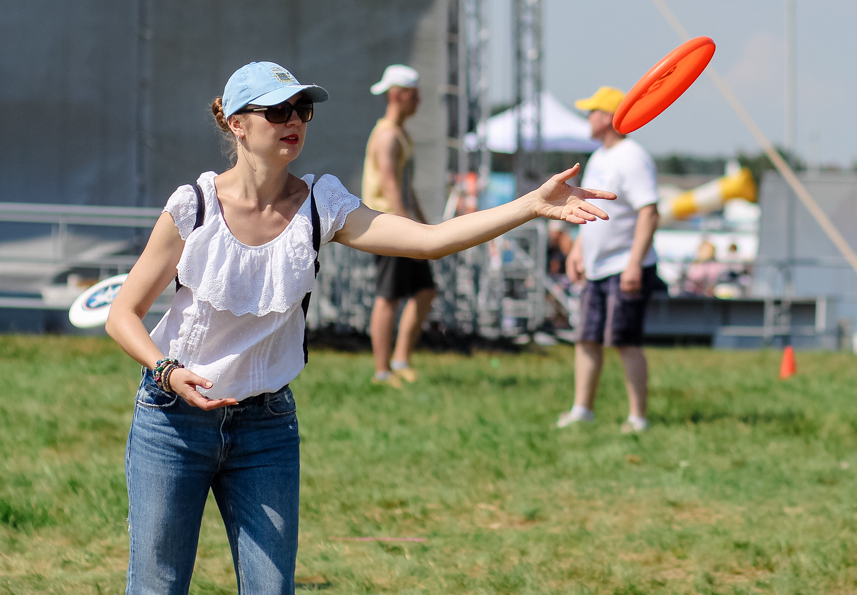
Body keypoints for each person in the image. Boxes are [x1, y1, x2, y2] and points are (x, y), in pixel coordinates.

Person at [105, 61, 614, 594]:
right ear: (237, 123)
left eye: (302, 109)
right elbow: (123, 315)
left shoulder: (320, 204)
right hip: (173, 423)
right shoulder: (196, 206)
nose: (294, 119)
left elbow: (430, 239)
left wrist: (531, 205)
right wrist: (166, 370)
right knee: (157, 587)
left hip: (265, 426)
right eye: (277, 110)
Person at [558, 86, 661, 433]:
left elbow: (649, 213)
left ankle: (638, 418)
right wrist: (577, 250)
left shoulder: (633, 156)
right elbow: (589, 208)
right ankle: (582, 411)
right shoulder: (600, 156)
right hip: (598, 268)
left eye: (592, 112)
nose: (587, 118)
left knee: (625, 341)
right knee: (587, 338)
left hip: (625, 268)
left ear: (607, 117)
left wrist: (634, 263)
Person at [362, 64, 435, 386]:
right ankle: (382, 372)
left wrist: (425, 225)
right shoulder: (387, 136)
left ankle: (400, 359)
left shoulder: (400, 133)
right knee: (388, 297)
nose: (419, 101)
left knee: (425, 291)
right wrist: (410, 232)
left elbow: (406, 186)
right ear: (398, 95)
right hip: (387, 226)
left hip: (401, 222)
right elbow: (391, 187)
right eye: (415, 95)